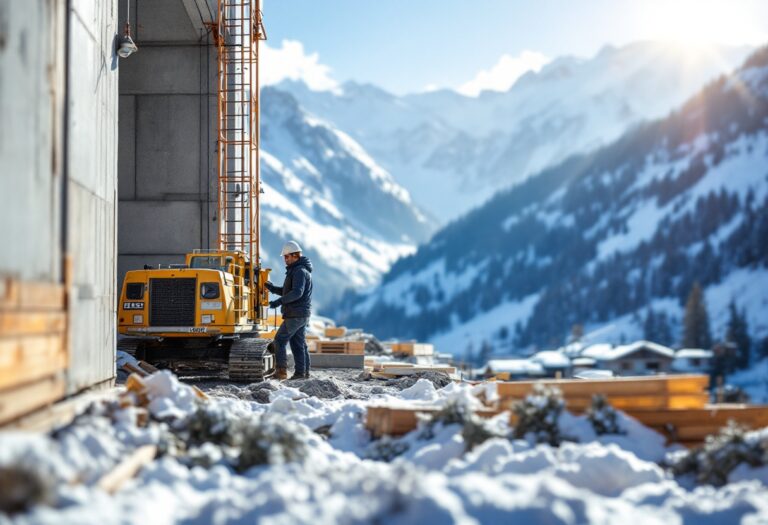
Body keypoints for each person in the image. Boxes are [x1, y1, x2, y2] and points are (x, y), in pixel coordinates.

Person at [266, 241, 313, 380]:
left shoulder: (299, 271)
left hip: (295, 314)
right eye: (284, 257)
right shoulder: (299, 270)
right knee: (298, 344)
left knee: (279, 341)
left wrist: (279, 302)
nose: (285, 259)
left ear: (295, 255)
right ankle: (302, 373)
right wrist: (273, 289)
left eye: (287, 257)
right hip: (300, 314)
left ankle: (281, 372)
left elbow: (297, 293)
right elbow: (289, 291)